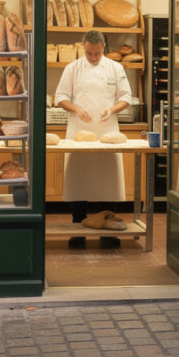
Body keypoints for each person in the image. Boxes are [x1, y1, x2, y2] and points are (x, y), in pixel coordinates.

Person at [54, 30, 132, 249]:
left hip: (107, 131)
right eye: (89, 53)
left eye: (97, 53)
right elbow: (60, 97)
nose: (93, 57)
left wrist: (112, 109)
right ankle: (77, 228)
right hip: (79, 132)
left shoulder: (116, 68)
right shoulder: (72, 68)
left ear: (103, 49)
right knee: (78, 179)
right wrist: (77, 108)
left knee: (108, 179)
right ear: (83, 48)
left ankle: (109, 229)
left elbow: (125, 97)